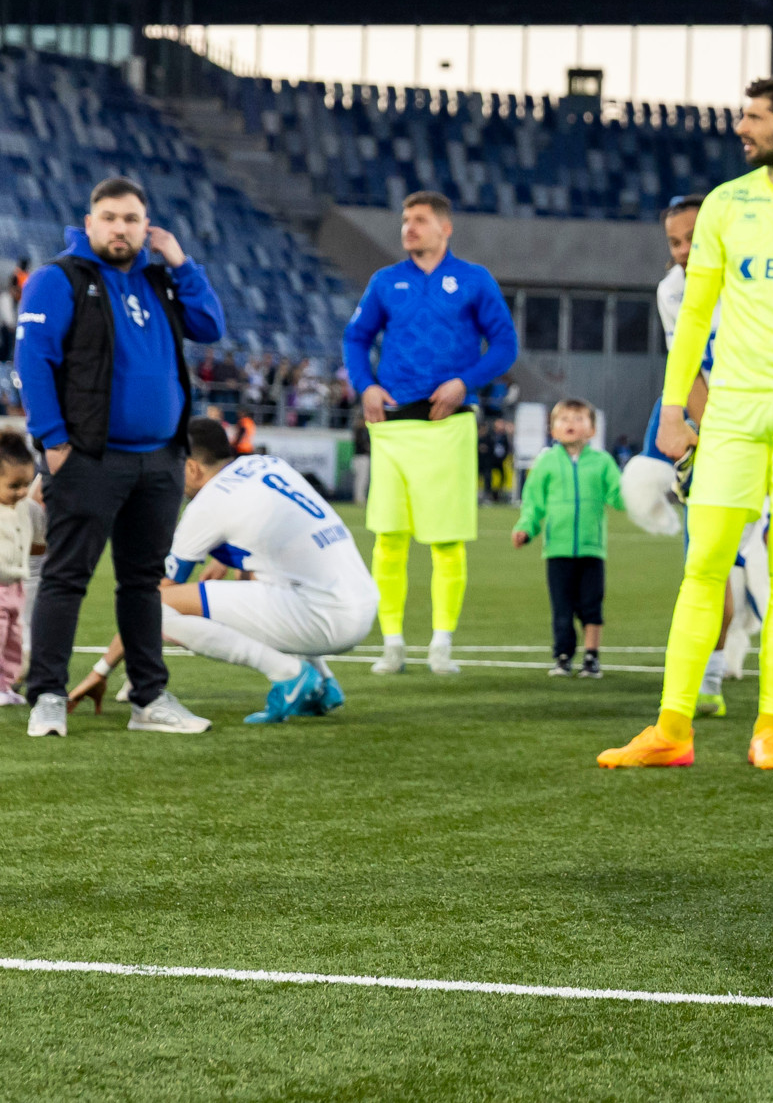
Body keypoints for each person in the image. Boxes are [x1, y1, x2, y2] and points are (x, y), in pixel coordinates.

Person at [598, 74, 773, 772]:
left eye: (753, 118)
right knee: (704, 564)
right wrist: (670, 409)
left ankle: (769, 729)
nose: (741, 129)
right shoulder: (726, 203)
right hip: (732, 413)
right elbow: (694, 315)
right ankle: (672, 728)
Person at [20, 175, 228, 739]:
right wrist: (54, 443)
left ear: (147, 227)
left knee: (143, 583)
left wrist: (181, 262)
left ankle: (148, 697)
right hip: (88, 458)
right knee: (66, 577)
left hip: (160, 461)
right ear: (90, 223)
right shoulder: (58, 279)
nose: (120, 228)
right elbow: (33, 362)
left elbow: (210, 326)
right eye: (109, 218)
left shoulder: (161, 280)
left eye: (131, 219)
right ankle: (47, 695)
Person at [344, 190, 518, 676]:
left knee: (447, 541)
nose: (409, 227)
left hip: (449, 426)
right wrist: (365, 385)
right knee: (388, 539)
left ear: (446, 227)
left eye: (419, 219)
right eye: (405, 220)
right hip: (393, 426)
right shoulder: (385, 281)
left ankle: (441, 644)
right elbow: (356, 337)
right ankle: (392, 643)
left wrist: (466, 382)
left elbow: (505, 344)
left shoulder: (474, 280)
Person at [137, 417, 377, 724]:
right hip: (362, 601)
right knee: (263, 578)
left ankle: (289, 674)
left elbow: (154, 597)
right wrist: (225, 561)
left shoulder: (208, 503)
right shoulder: (266, 464)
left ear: (192, 468)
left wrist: (103, 669)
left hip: (326, 619)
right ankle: (324, 683)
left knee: (155, 609)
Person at [513, 398, 624, 678]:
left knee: (591, 606)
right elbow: (533, 503)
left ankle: (591, 657)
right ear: (553, 429)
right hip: (557, 550)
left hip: (591, 549)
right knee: (561, 609)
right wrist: (526, 528)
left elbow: (618, 495)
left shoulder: (602, 462)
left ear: (592, 429)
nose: (570, 424)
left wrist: (640, 495)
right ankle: (563, 656)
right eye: (563, 419)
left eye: (578, 419)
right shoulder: (546, 462)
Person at [0, 432, 44, 705]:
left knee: (13, 640)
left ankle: (6, 686)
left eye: (26, 484)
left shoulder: (27, 508)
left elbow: (39, 543)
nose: (21, 492)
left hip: (16, 586)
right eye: (13, 485)